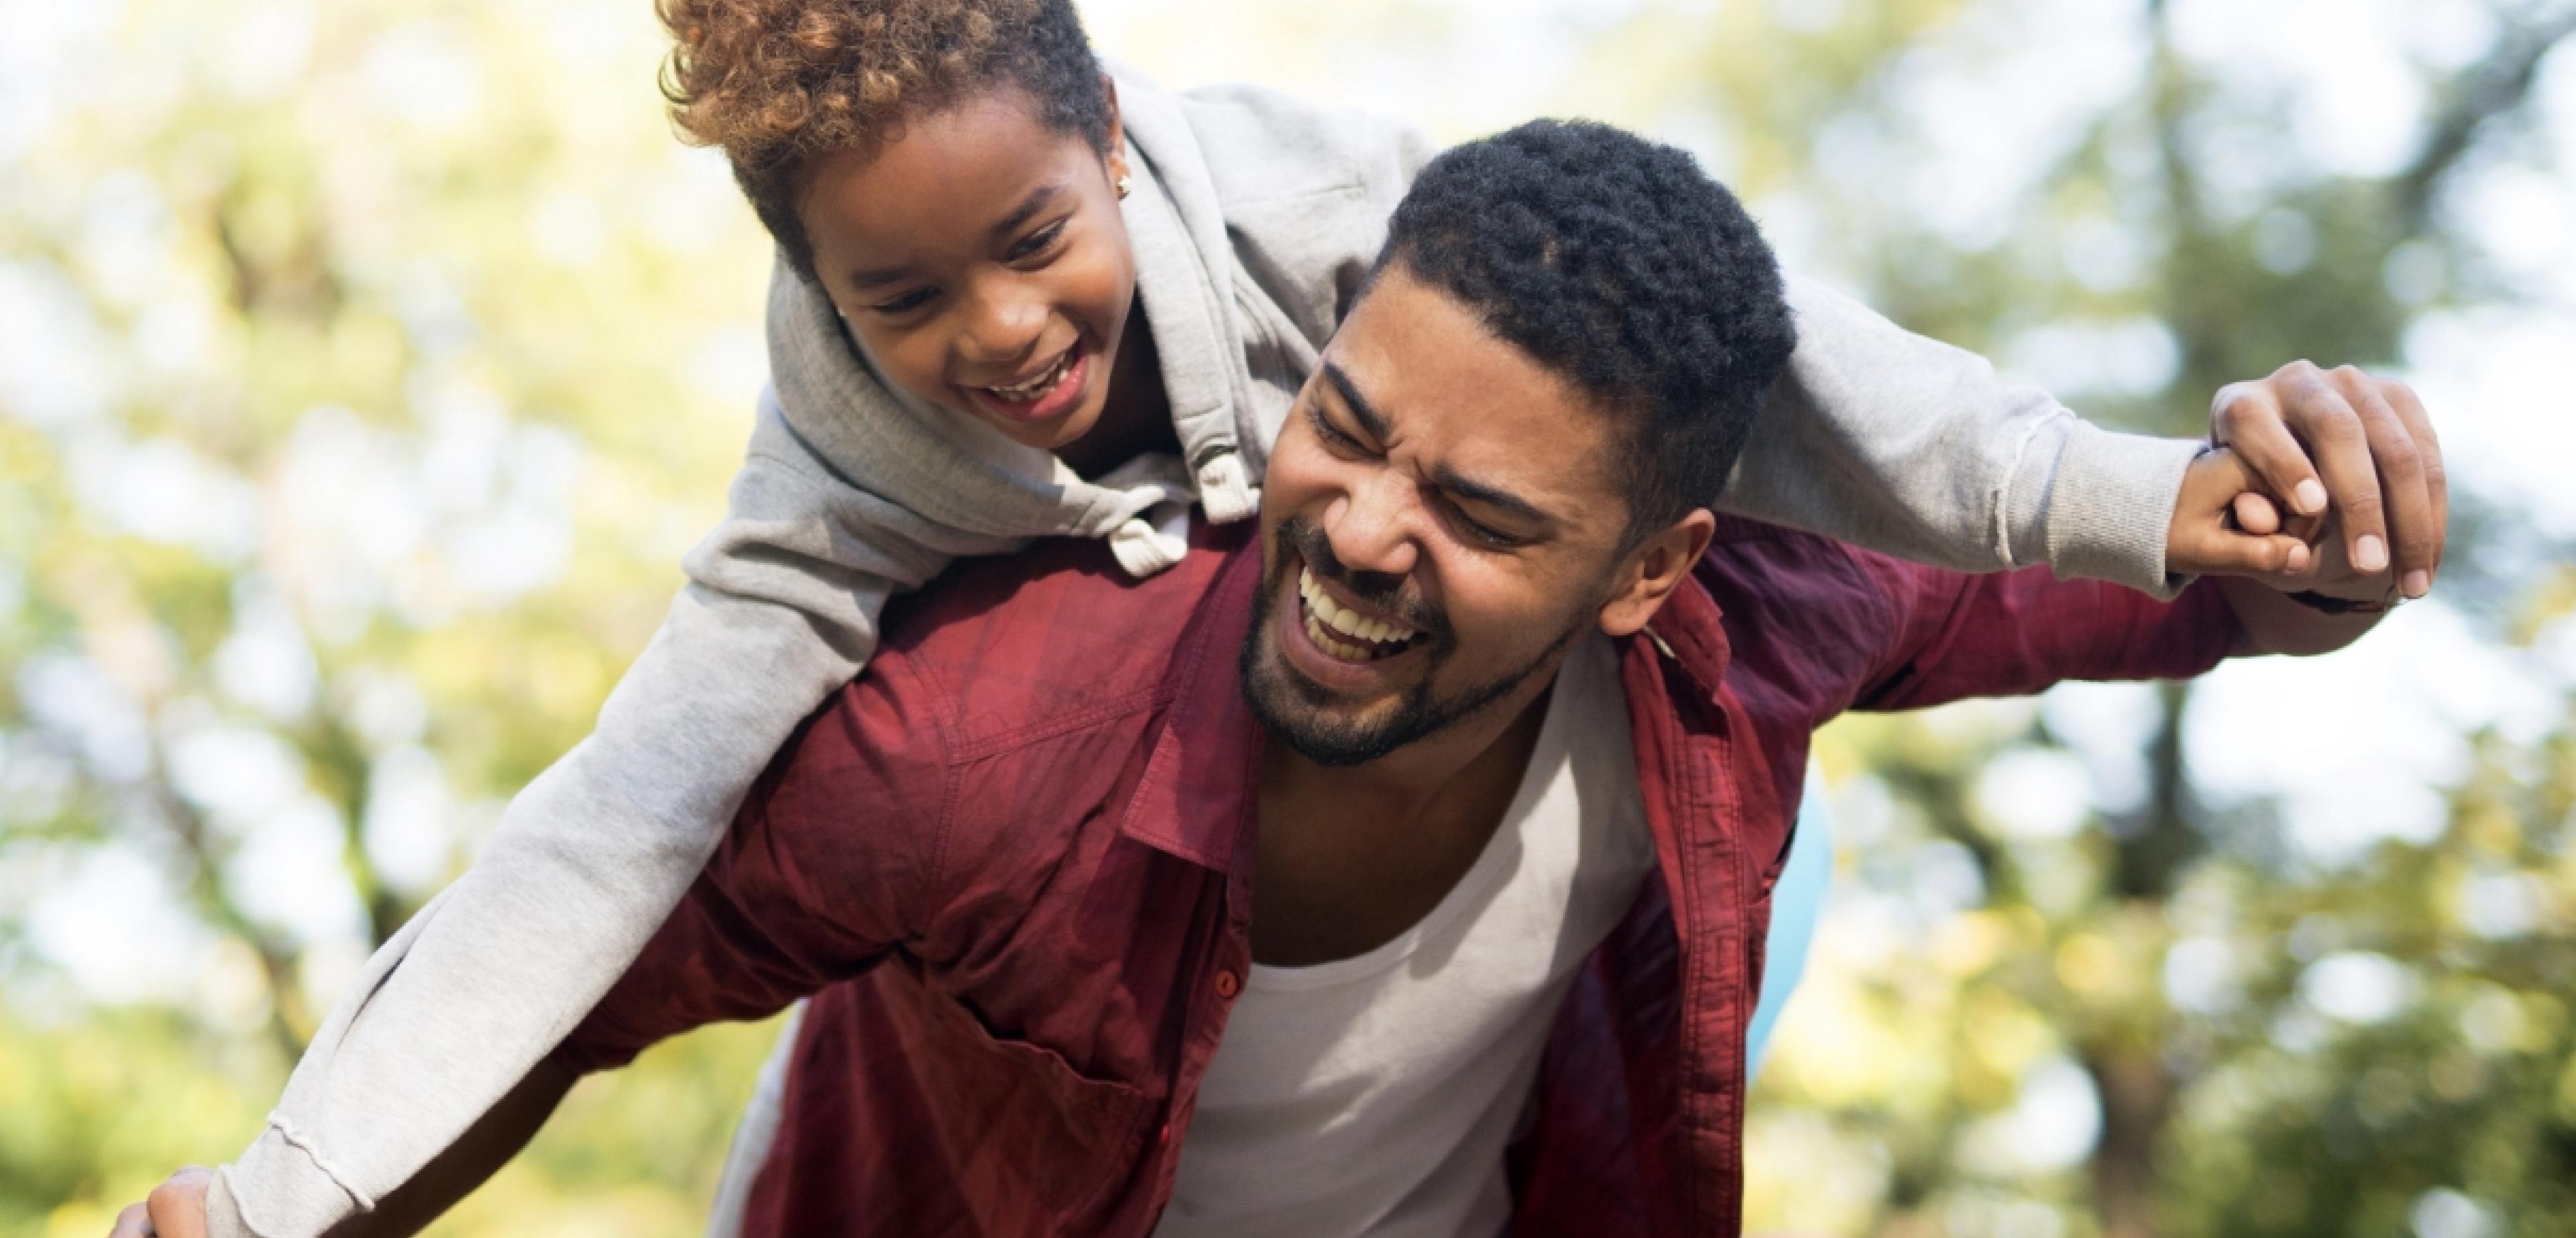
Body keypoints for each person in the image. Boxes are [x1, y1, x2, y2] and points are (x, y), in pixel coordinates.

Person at [141, 1, 2447, 1234]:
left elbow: (1976, 519)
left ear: (1656, 560)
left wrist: (2249, 536)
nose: (1358, 531)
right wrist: (281, 1204)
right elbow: (596, 904)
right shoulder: (948, 712)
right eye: (1347, 437)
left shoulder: (1668, 530)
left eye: (1478, 507)